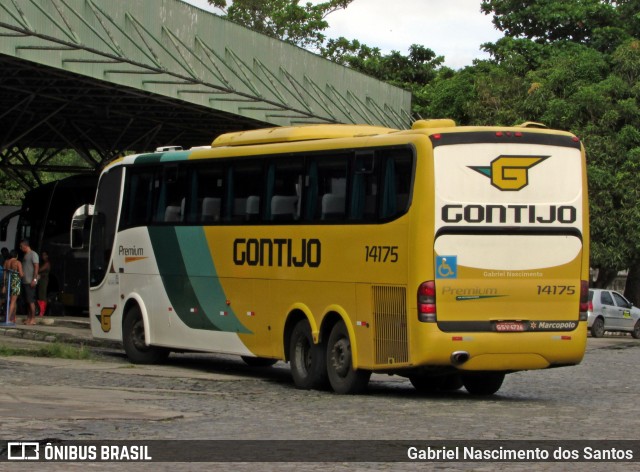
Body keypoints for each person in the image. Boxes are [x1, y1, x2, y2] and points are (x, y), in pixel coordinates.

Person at [19, 240, 39, 325]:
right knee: (27, 301)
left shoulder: (33, 254)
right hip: (25, 281)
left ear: (25, 246)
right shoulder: (25, 255)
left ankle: (33, 319)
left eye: (21, 246)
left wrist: (34, 279)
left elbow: (36, 267)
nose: (20, 248)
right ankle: (28, 317)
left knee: (31, 300)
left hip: (30, 281)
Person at [3, 250, 23, 324]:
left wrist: (4, 285)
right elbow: (21, 274)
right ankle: (8, 319)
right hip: (15, 282)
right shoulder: (17, 262)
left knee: (9, 301)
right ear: (16, 256)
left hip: (8, 281)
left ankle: (12, 318)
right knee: (13, 301)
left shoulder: (6, 262)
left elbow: (5, 274)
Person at [37, 250, 51, 316]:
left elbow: (40, 270)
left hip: (44, 280)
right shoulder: (44, 263)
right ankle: (41, 309)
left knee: (42, 295)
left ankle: (42, 310)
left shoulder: (47, 263)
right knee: (41, 294)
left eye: (44, 255)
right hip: (41, 280)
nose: (43, 256)